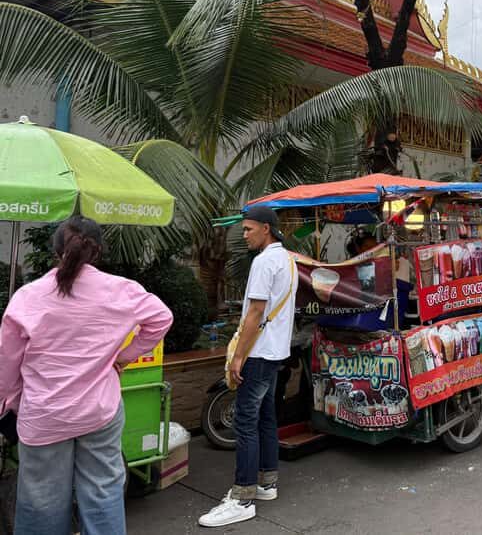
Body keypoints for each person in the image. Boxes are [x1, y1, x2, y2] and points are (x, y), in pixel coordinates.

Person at [0, 216, 173, 535]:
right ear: (98, 252)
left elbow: (7, 362)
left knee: (42, 500)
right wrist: (122, 357)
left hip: (44, 414)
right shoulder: (123, 291)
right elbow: (162, 318)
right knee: (104, 491)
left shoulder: (29, 296)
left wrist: (9, 401)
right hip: (99, 410)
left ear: (56, 251)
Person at [200, 206, 298, 528]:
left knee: (245, 421)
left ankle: (243, 497)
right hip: (276, 352)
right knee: (266, 415)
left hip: (258, 354)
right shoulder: (288, 260)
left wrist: (238, 356)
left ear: (266, 229)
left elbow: (255, 312)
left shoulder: (264, 262)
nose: (244, 236)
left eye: (248, 230)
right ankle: (267, 483)